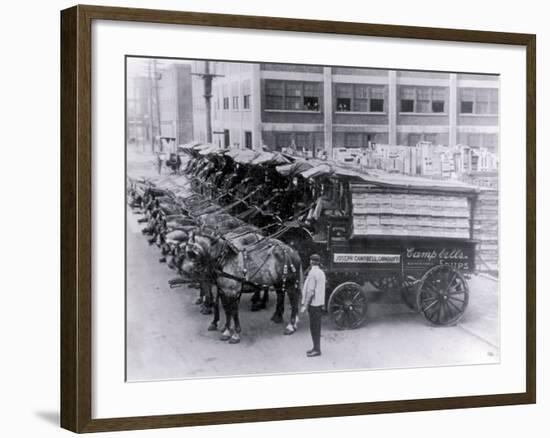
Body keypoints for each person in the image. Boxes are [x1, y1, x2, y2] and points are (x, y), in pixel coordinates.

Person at [300, 254, 326, 357]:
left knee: (314, 328)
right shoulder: (321, 273)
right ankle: (316, 348)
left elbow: (310, 291)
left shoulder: (312, 273)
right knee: (317, 327)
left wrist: (305, 306)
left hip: (314, 305)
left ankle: (317, 350)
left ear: (311, 262)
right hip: (319, 304)